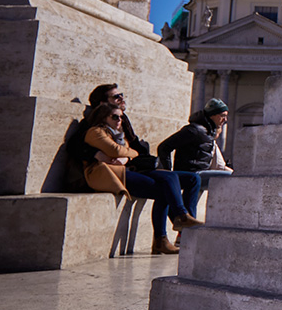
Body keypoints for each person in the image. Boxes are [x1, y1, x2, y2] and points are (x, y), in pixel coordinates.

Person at [81, 102, 203, 253]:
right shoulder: (95, 132)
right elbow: (115, 150)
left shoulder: (119, 136)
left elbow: (129, 153)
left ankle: (183, 217)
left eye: (121, 118)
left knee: (187, 178)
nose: (119, 120)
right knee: (164, 189)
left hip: (130, 169)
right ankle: (165, 235)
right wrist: (125, 155)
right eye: (115, 117)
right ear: (103, 117)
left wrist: (126, 157)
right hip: (112, 174)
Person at [158, 99, 231, 180]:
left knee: (231, 176)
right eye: (223, 116)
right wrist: (168, 173)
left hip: (199, 173)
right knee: (230, 177)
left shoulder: (208, 132)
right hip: (193, 174)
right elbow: (164, 147)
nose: (225, 120)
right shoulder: (194, 130)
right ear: (212, 115)